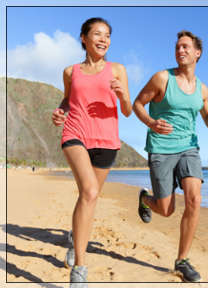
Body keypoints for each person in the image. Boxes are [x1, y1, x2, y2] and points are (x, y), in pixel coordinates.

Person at [133, 30, 208, 282]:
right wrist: (151, 122)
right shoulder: (162, 78)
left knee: (194, 199)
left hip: (189, 148)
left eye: (185, 47)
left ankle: (182, 260)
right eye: (177, 47)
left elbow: (206, 114)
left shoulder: (202, 88)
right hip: (161, 147)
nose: (180, 50)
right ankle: (145, 200)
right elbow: (138, 104)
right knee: (166, 209)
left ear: (197, 53)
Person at [52, 17, 132, 287]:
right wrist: (61, 110)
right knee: (89, 192)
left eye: (107, 35)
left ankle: (76, 239)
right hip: (75, 133)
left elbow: (128, 110)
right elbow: (68, 98)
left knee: (89, 198)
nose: (103, 39)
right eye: (97, 34)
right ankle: (80, 270)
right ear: (83, 38)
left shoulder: (118, 69)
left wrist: (122, 96)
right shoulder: (70, 71)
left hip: (107, 140)